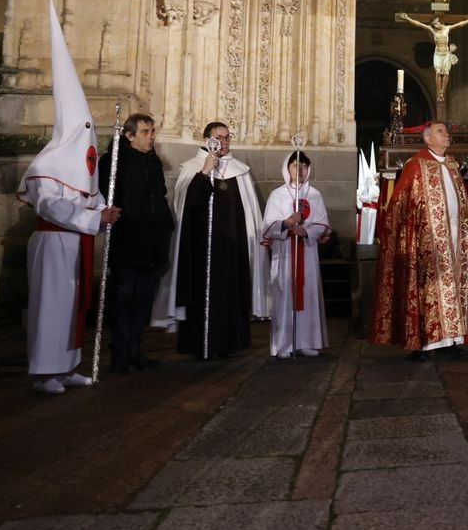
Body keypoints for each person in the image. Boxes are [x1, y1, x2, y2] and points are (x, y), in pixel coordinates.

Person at [18, 0, 120, 394]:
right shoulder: (47, 164)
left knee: (74, 306)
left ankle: (68, 363)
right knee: (51, 306)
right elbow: (52, 205)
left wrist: (102, 209)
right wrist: (94, 218)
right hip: (53, 242)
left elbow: (84, 198)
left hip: (76, 243)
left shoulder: (78, 168)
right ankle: (44, 372)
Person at [369, 121, 468, 360]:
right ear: (427, 139)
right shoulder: (415, 166)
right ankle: (424, 343)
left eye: (446, 131)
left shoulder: (453, 164)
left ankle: (452, 339)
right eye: (440, 132)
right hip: (428, 241)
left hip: (456, 238)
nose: (446, 135)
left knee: (456, 286)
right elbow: (399, 205)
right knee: (428, 290)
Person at [157, 122, 269, 358]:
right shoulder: (193, 168)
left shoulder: (240, 171)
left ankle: (228, 344)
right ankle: (200, 345)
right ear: (207, 139)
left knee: (229, 298)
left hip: (231, 251)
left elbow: (247, 214)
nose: (224, 142)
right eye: (219, 137)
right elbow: (186, 207)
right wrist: (205, 172)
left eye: (228, 137)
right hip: (200, 251)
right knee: (200, 297)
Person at [97, 113, 174, 374]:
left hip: (152, 243)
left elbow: (159, 195)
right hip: (128, 242)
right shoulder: (114, 161)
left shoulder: (152, 162)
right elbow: (107, 195)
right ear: (129, 135)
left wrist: (164, 224)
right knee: (124, 300)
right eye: (145, 131)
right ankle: (120, 354)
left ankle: (135, 350)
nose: (151, 136)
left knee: (143, 302)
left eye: (152, 131)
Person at [262, 151, 331, 357]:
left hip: (307, 251)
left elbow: (322, 223)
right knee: (284, 294)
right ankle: (284, 344)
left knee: (308, 294)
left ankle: (307, 341)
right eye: (295, 166)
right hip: (284, 252)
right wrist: (286, 223)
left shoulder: (314, 195)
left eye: (303, 166)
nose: (299, 170)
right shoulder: (278, 195)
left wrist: (307, 231)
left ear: (308, 169)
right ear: (287, 168)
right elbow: (267, 226)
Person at [394, 12, 468, 101]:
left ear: (440, 22)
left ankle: (442, 92)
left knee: (446, 73)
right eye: (434, 24)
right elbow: (419, 24)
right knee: (438, 72)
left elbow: (459, 25)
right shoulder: (432, 30)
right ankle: (439, 90)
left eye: (436, 23)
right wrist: (408, 18)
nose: (436, 25)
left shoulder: (447, 28)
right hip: (438, 54)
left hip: (446, 54)